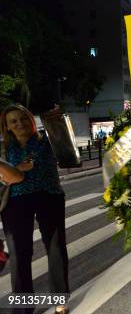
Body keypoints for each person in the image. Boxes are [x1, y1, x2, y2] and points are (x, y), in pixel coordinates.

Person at [0, 104, 69, 314]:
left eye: (23, 118)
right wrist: (17, 169)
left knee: (56, 248)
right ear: (7, 127)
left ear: (31, 120)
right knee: (20, 253)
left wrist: (56, 118)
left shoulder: (47, 141)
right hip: (15, 201)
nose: (19, 123)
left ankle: (60, 299)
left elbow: (69, 152)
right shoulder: (3, 148)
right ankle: (23, 308)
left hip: (49, 196)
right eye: (13, 121)